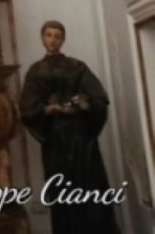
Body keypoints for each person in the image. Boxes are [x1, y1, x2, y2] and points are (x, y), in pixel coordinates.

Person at [20, 21, 120, 233]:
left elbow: (99, 98)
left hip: (81, 138)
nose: (52, 40)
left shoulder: (77, 67)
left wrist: (85, 103)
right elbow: (28, 108)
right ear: (42, 38)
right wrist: (48, 109)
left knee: (90, 185)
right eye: (48, 35)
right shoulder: (36, 71)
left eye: (57, 36)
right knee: (61, 189)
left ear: (63, 39)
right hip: (56, 140)